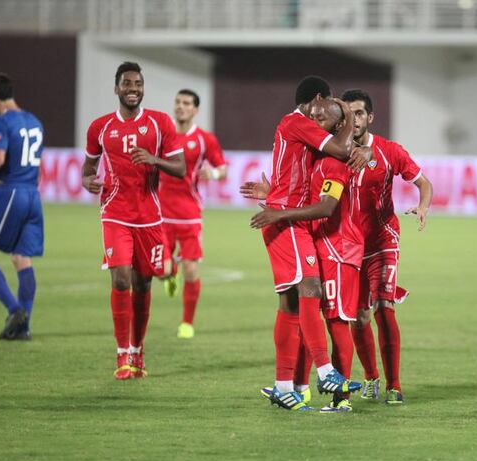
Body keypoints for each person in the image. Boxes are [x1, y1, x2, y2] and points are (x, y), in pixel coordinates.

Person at [242, 75, 369, 411]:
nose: (325, 120)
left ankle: (285, 386)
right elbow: (342, 148)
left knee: (293, 305)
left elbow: (325, 181)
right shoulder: (299, 124)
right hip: (288, 221)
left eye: (332, 118)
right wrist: (345, 118)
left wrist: (361, 144)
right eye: (328, 108)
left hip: (294, 221)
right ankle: (326, 372)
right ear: (316, 100)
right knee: (309, 289)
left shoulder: (310, 140)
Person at [81, 62, 186, 380]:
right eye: (127, 83)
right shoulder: (100, 127)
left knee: (143, 284)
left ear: (143, 88)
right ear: (116, 88)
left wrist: (154, 160)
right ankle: (122, 354)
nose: (133, 88)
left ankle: (138, 350)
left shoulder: (160, 123)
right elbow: (88, 170)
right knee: (121, 280)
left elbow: (180, 168)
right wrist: (88, 181)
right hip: (115, 214)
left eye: (138, 83)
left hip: (150, 217)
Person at [340, 88, 433, 405]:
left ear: (370, 117)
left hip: (383, 239)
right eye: (349, 113)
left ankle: (394, 385)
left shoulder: (389, 151)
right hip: (350, 244)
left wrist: (422, 206)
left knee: (382, 306)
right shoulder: (332, 150)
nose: (354, 119)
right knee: (357, 317)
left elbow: (423, 183)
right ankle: (371, 378)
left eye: (360, 113)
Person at [0, 73, 44, 340]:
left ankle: (15, 311)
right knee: (21, 257)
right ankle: (22, 328)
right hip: (32, 195)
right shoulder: (35, 121)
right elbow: (39, 168)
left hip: (10, 192)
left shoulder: (1, 120)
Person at [158, 89, 227, 339]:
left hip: (189, 214)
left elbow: (223, 168)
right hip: (161, 214)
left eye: (186, 103)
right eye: (177, 102)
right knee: (163, 269)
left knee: (192, 271)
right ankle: (169, 274)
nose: (180, 106)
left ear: (195, 109)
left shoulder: (204, 139)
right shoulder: (163, 136)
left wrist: (215, 174)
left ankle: (187, 323)